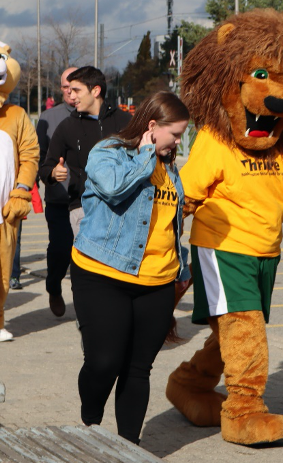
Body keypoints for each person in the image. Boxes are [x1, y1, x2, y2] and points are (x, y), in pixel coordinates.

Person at [70, 91, 191, 445]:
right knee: (104, 362)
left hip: (156, 281)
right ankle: (91, 423)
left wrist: (181, 269)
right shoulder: (108, 153)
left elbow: (169, 223)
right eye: (176, 134)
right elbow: (114, 188)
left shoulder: (169, 166)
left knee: (138, 369)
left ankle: (128, 446)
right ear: (153, 127)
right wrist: (146, 153)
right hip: (102, 273)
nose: (179, 142)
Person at [38, 66, 132, 237]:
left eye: (76, 90)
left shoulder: (126, 121)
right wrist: (53, 173)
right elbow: (45, 168)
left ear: (95, 90)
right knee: (88, 263)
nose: (71, 95)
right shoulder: (67, 126)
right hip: (83, 209)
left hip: (122, 209)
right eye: (69, 90)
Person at [36, 67, 78, 316]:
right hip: (59, 199)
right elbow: (38, 157)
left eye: (75, 87)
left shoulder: (97, 116)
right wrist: (49, 174)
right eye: (65, 87)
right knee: (61, 249)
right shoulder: (48, 117)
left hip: (90, 201)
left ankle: (84, 302)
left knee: (85, 257)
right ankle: (54, 286)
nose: (71, 92)